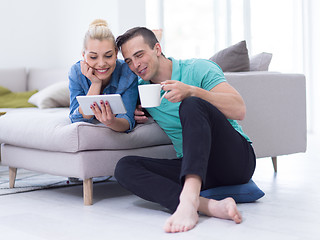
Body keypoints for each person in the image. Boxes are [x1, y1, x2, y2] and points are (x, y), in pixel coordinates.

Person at [114, 27, 256, 233]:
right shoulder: (140, 88)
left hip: (234, 161)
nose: (135, 65)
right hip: (195, 165)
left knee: (191, 104)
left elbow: (239, 109)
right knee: (124, 168)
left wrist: (191, 91)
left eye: (139, 55)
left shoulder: (198, 69)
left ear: (157, 48)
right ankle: (208, 206)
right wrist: (131, 113)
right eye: (128, 61)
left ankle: (189, 200)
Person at [69, 19, 138, 132]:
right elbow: (76, 119)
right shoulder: (76, 72)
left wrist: (111, 122)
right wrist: (96, 83)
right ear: (84, 55)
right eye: (93, 57)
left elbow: (127, 122)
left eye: (108, 56)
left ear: (116, 53)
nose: (101, 64)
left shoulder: (127, 72)